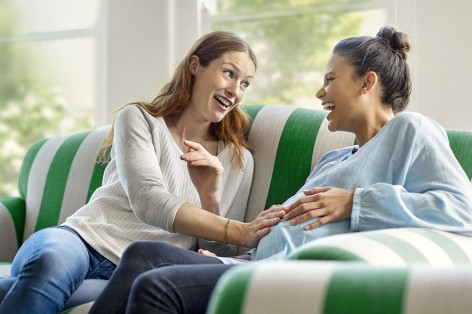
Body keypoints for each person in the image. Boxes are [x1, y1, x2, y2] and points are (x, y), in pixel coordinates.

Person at [89, 26, 472, 314]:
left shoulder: (410, 130)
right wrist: (231, 257)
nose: (320, 94)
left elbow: (462, 212)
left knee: (158, 287)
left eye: (329, 80)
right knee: (143, 255)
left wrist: (356, 202)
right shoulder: (334, 160)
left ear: (366, 83)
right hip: (253, 262)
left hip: (285, 273)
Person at [0, 31, 285, 314]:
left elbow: (217, 257)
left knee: (30, 293)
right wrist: (239, 230)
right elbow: (148, 200)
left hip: (131, 273)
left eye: (245, 83)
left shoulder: (237, 161)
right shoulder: (140, 120)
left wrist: (210, 196)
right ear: (195, 66)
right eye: (228, 73)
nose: (236, 91)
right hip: (79, 240)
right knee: (49, 266)